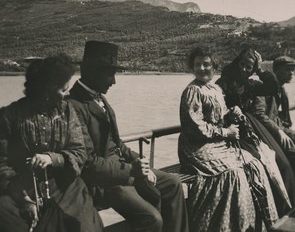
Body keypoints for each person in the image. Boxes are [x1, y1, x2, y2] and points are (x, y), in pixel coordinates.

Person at [68, 41, 189, 232]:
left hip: (125, 171)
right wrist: (132, 170)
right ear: (91, 71)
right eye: (111, 74)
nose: (114, 81)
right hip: (104, 181)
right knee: (152, 219)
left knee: (173, 183)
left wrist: (140, 162)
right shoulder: (74, 105)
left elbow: (117, 144)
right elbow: (89, 163)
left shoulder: (98, 98)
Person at [178, 47, 278, 231]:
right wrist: (226, 132)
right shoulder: (192, 91)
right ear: (191, 67)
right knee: (233, 173)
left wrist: (232, 115)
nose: (202, 68)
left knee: (253, 164)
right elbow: (195, 127)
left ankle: (254, 225)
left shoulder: (215, 88)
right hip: (197, 146)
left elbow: (221, 117)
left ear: (214, 66)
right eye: (197, 64)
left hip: (217, 143)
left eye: (206, 64)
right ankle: (221, 226)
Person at [0, 55, 103, 232]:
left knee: (83, 224)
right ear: (46, 90)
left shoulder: (66, 111)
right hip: (20, 189)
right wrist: (24, 199)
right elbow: (2, 163)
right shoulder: (9, 116)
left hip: (65, 187)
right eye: (63, 90)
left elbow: (79, 152)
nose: (66, 95)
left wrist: (52, 158)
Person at [216, 48, 294, 213]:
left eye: (249, 67)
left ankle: (287, 208)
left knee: (282, 164)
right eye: (242, 64)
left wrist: (259, 70)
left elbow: (272, 87)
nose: (244, 69)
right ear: (237, 62)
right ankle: (283, 210)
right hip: (234, 130)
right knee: (271, 165)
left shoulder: (250, 85)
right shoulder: (223, 82)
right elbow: (216, 110)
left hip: (252, 127)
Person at [253, 56, 295, 150]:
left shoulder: (281, 90)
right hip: (268, 132)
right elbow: (258, 113)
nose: (291, 73)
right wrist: (278, 131)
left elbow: (276, 110)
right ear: (277, 71)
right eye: (288, 70)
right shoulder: (264, 87)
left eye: (293, 70)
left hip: (281, 128)